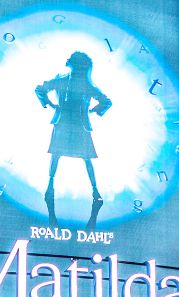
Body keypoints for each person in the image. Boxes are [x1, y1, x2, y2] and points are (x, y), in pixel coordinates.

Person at [34, 51, 113, 227]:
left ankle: (94, 191)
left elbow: (106, 101)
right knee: (57, 155)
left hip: (78, 124)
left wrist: (94, 111)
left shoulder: (86, 84)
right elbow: (40, 89)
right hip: (63, 123)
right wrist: (48, 102)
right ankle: (50, 186)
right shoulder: (63, 80)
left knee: (85, 159)